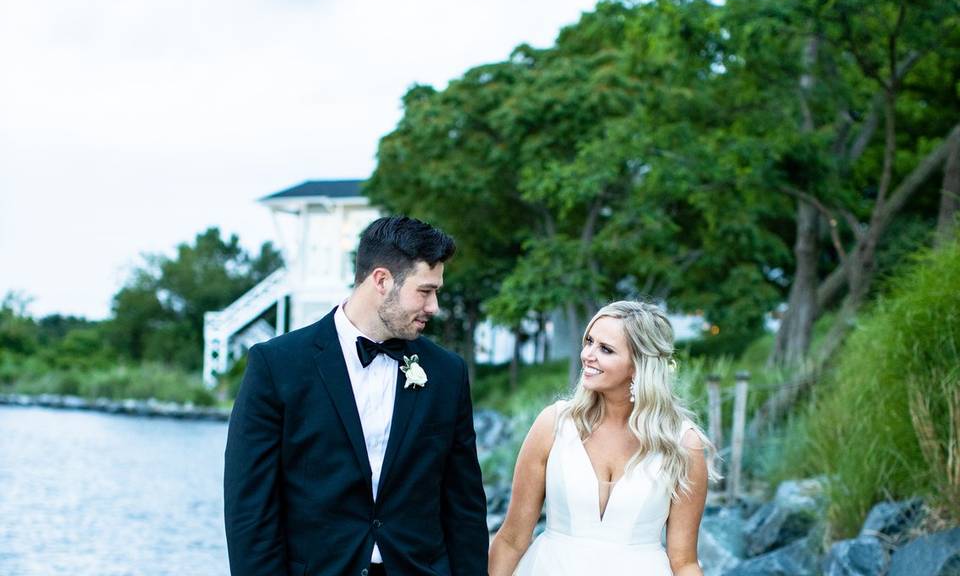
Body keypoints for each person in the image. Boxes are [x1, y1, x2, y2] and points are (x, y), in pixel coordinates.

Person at [224, 216, 488, 576]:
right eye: (425, 291)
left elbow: (464, 504)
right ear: (381, 280)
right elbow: (250, 506)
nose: (434, 307)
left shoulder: (447, 373)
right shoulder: (277, 366)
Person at [489, 300, 718, 575]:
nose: (588, 354)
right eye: (589, 342)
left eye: (605, 349)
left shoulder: (682, 444)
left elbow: (684, 562)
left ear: (638, 365)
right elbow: (512, 538)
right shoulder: (554, 424)